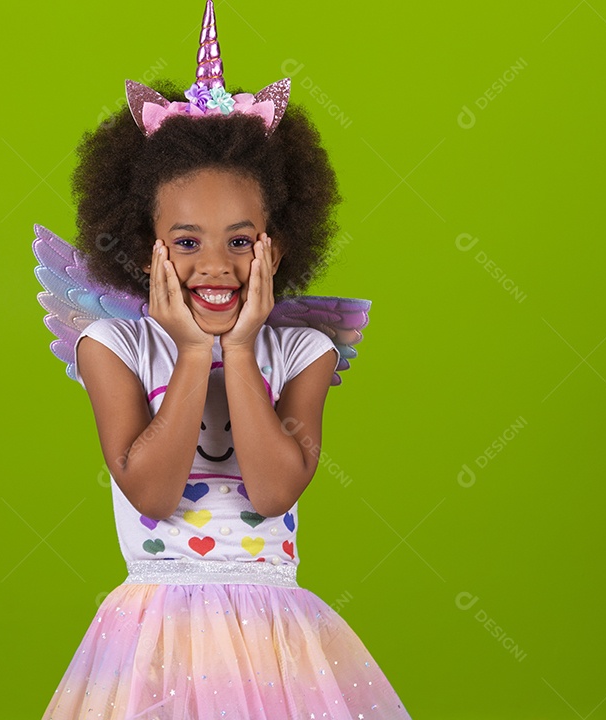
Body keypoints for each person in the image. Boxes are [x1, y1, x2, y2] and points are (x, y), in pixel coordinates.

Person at [33, 2, 413, 717]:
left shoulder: (304, 350)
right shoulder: (113, 346)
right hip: (152, 644)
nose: (216, 266)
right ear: (142, 244)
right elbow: (149, 490)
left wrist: (237, 348)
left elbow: (274, 492)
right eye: (186, 242)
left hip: (279, 647)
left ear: (278, 244)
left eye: (240, 242)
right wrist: (189, 349)